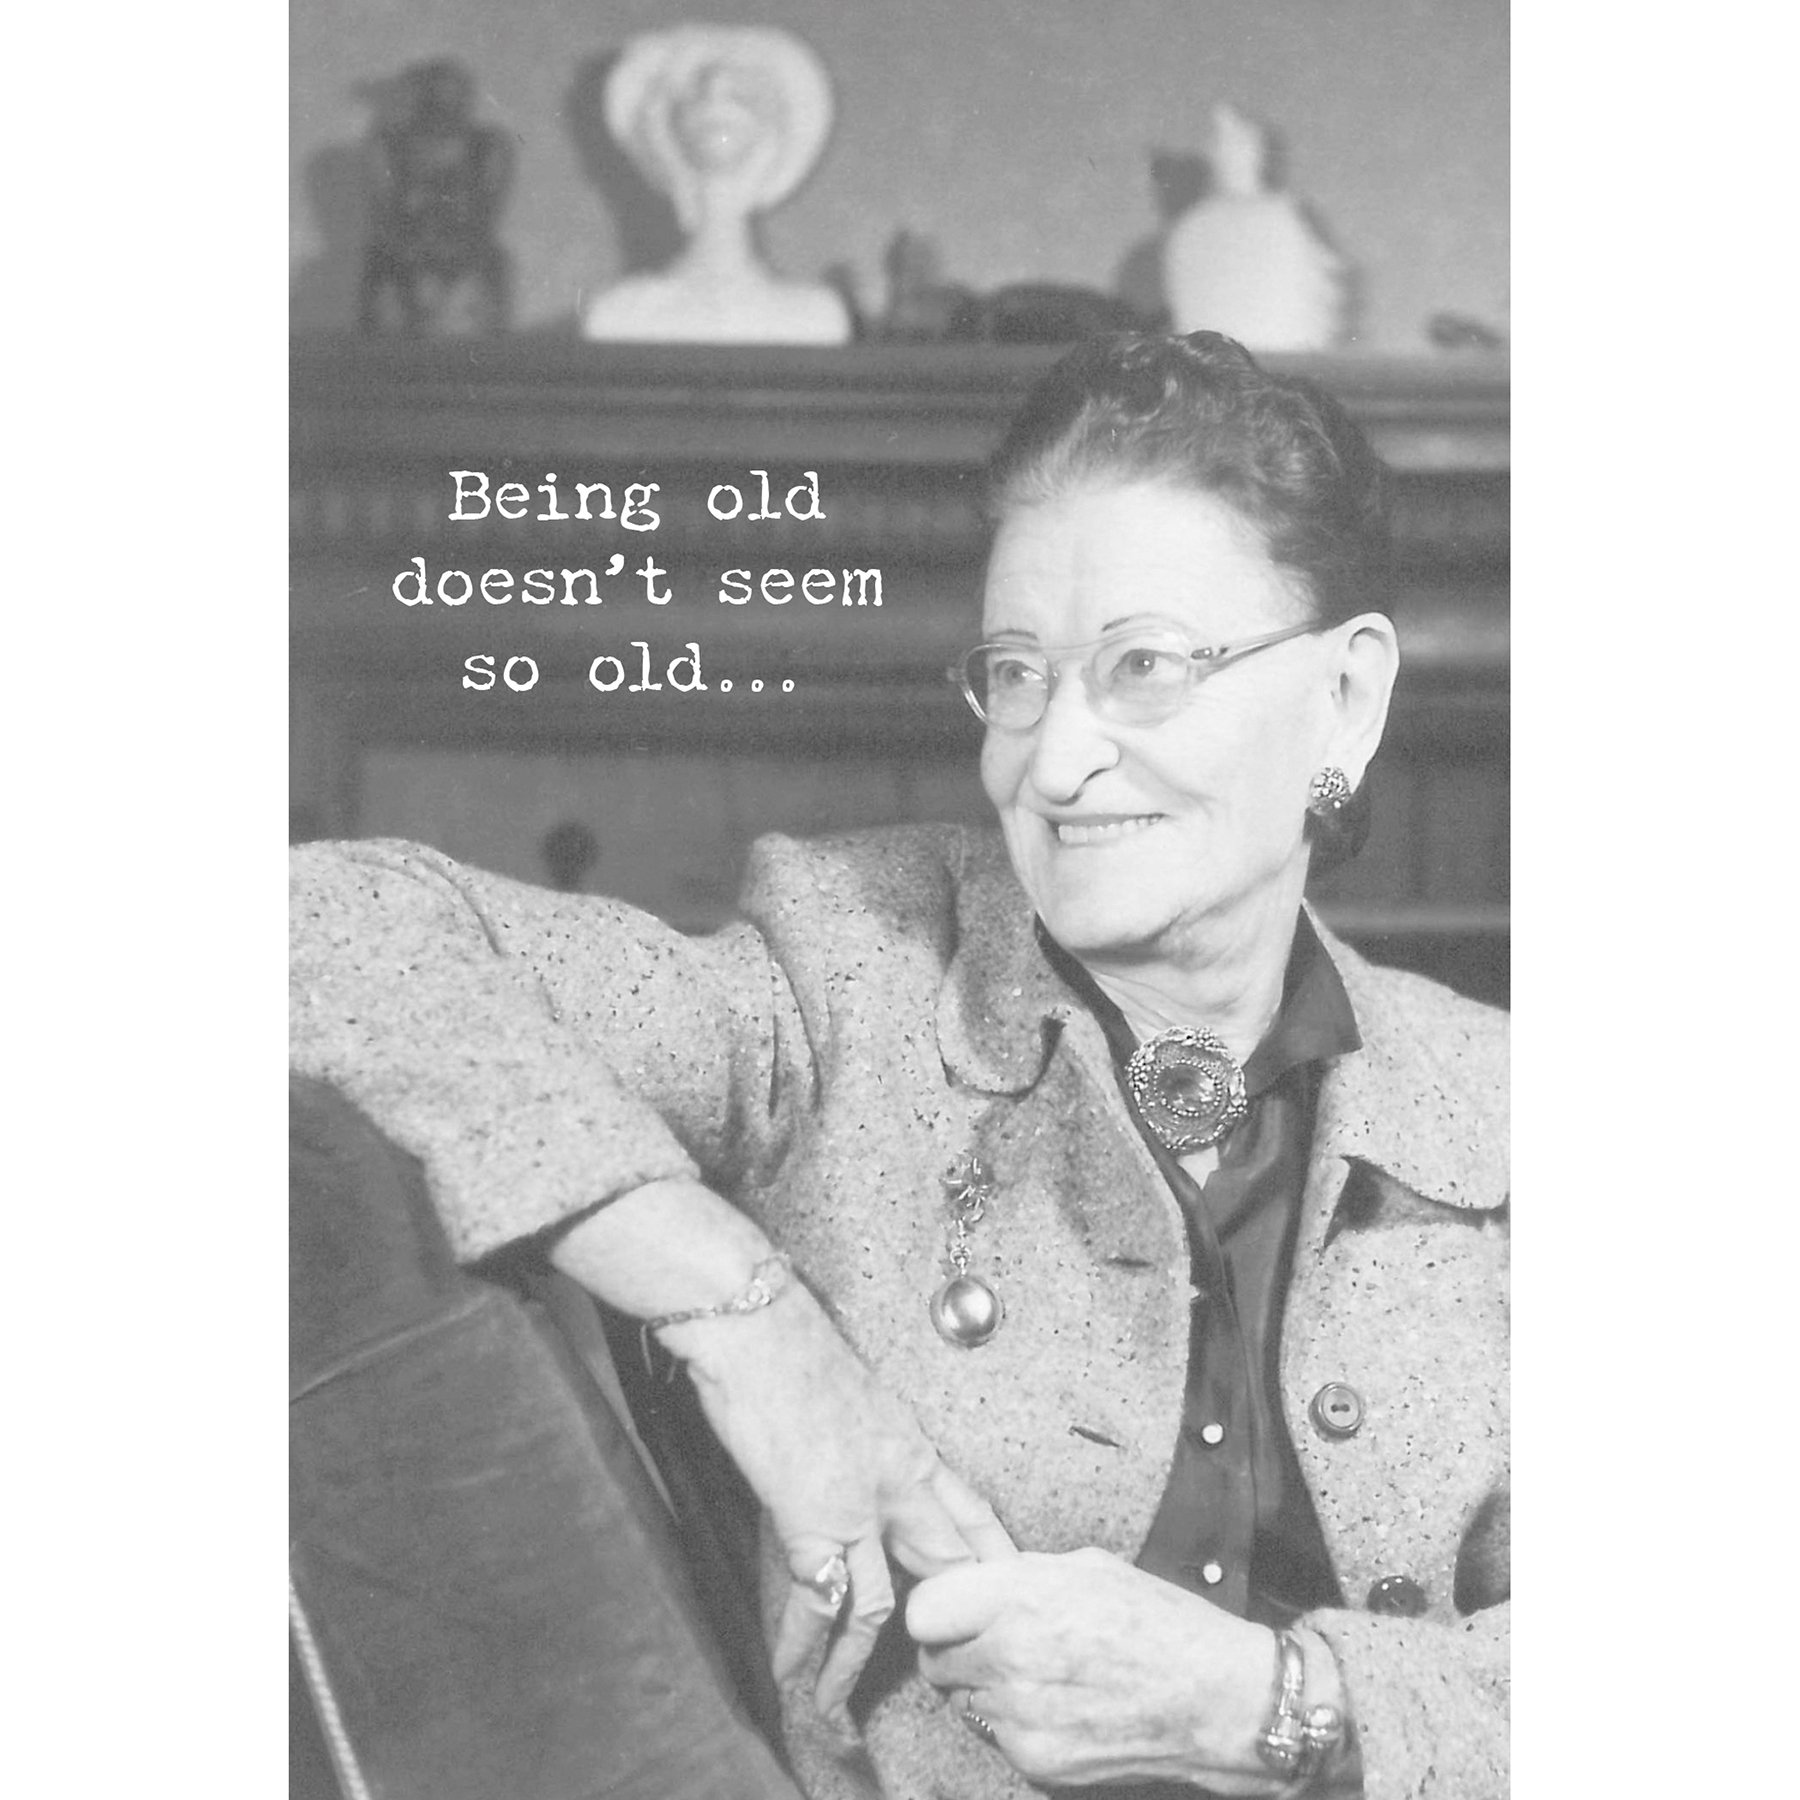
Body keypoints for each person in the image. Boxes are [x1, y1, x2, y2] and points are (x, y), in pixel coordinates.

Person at [290, 331, 1508, 1800]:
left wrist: (1273, 1704)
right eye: (1017, 675)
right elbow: (316, 923)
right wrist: (747, 1320)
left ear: (1347, 697)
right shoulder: (844, 978)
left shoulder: (1501, 1108)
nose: (1053, 762)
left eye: (1144, 667)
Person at [581, 24, 852, 345]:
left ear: (776, 126)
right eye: (696, 92)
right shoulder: (623, 311)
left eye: (741, 94)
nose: (716, 97)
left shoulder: (813, 313)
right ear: (661, 123)